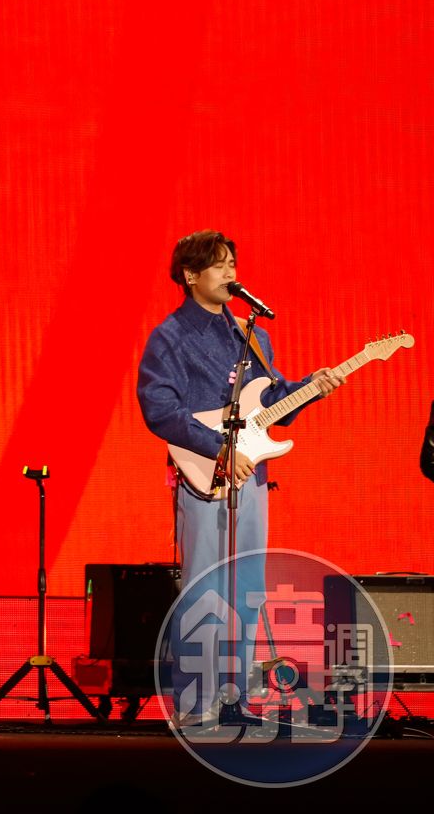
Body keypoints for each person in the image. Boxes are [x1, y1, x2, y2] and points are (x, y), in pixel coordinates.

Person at [137, 229, 343, 722]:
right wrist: (219, 449)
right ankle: (195, 704)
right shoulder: (170, 336)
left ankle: (235, 699)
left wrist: (310, 388)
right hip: (205, 476)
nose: (230, 273)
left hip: (252, 475)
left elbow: (269, 404)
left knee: (247, 590)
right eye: (219, 264)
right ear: (190, 275)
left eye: (232, 263)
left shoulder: (252, 334)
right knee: (202, 589)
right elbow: (160, 408)